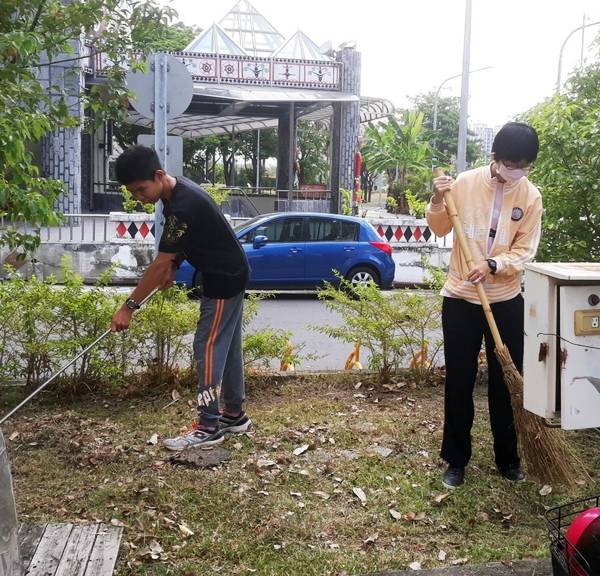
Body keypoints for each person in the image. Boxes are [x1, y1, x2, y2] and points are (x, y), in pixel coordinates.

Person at [111, 145, 251, 450]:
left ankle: (209, 425)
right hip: (230, 272)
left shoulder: (183, 204)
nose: (139, 197)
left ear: (159, 175)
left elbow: (159, 262)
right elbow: (186, 243)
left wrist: (128, 307)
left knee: (208, 347)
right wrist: (173, 266)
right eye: (133, 193)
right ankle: (234, 414)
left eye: (141, 189)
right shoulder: (176, 194)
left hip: (223, 279)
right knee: (225, 346)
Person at [426, 122, 542, 489]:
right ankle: (456, 459)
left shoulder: (531, 197)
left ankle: (508, 458)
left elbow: (525, 250)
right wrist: (436, 200)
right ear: (496, 157)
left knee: (506, 382)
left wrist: (494, 265)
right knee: (459, 381)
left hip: (505, 299)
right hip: (461, 297)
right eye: (511, 162)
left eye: (523, 165)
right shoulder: (463, 183)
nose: (516, 170)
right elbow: (441, 229)